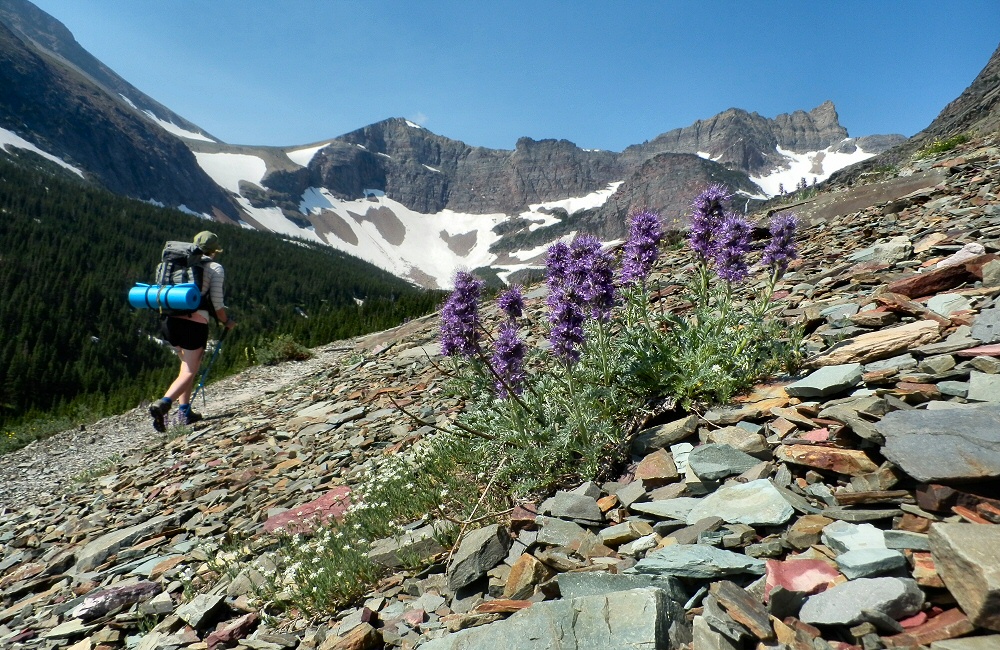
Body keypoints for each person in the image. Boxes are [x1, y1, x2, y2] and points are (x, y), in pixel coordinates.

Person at [149, 231, 237, 431]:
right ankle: (163, 404)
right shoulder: (214, 268)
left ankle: (185, 411)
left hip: (169, 321)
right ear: (214, 250)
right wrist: (226, 321)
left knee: (185, 366)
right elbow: (217, 303)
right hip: (194, 323)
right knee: (190, 369)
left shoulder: (178, 263)